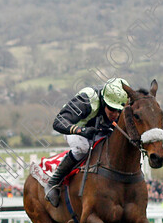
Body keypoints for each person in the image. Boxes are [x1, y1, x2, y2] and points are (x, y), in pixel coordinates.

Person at [45, 77, 130, 207]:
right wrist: (81, 130)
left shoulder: (121, 104)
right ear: (103, 100)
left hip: (99, 128)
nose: (116, 114)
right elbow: (58, 122)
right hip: (75, 127)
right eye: (112, 109)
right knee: (83, 147)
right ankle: (53, 182)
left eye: (119, 110)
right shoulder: (87, 99)